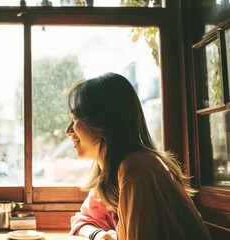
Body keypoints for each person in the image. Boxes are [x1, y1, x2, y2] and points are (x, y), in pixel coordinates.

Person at [66, 73, 211, 240]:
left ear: (103, 122)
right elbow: (81, 220)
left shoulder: (134, 169)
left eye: (76, 119)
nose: (68, 131)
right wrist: (98, 235)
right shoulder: (112, 172)